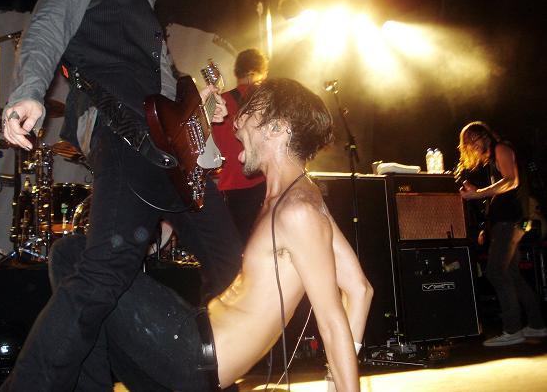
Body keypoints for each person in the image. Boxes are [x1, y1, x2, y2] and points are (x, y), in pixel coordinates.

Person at [0, 0, 242, 390]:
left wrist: (200, 110)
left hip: (172, 157)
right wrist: (29, 91)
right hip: (126, 139)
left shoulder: (145, 12)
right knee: (105, 273)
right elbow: (49, 23)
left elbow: (163, 97)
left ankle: (204, 376)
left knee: (233, 266)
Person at [50, 78, 373, 391]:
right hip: (195, 343)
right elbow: (360, 289)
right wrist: (332, 379)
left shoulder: (298, 211)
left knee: (71, 255)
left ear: (277, 128)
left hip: (192, 355)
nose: (236, 123)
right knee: (97, 305)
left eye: (249, 113)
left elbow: (331, 322)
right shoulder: (302, 198)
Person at [457, 121, 546, 347]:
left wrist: (478, 194)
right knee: (512, 273)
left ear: (483, 136)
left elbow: (511, 181)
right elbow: (500, 191)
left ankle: (512, 329)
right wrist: (485, 224)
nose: (471, 147)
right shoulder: (492, 158)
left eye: (472, 140)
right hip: (512, 222)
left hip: (512, 221)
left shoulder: (501, 148)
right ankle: (536, 324)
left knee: (496, 271)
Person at [213, 48, 269, 245]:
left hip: (231, 184)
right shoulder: (264, 100)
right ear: (256, 72)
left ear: (238, 72)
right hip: (260, 180)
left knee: (236, 244)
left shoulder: (220, 102)